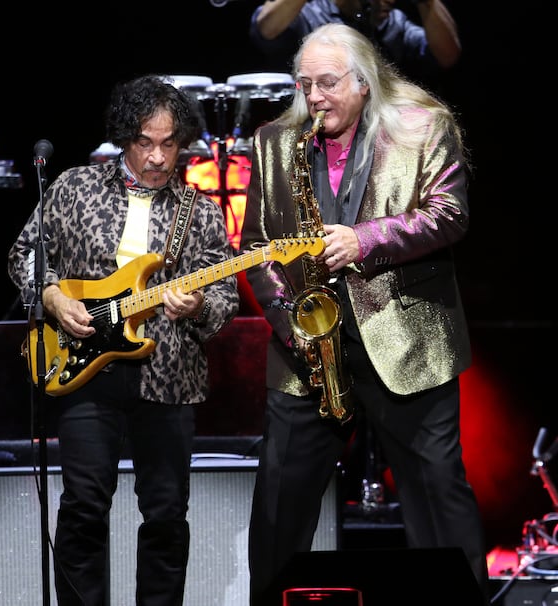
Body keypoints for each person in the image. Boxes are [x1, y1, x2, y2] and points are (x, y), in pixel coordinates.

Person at [239, 23, 489, 605]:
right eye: (304, 85)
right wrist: (291, 323)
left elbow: (451, 214)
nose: (314, 98)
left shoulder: (426, 126)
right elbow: (255, 247)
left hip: (406, 338)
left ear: (364, 81)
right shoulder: (274, 140)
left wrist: (365, 239)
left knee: (438, 499)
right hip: (308, 349)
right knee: (277, 509)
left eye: (327, 83)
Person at [7, 74, 240, 605]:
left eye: (169, 144)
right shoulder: (72, 187)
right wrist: (50, 297)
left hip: (169, 376)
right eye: (145, 143)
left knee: (165, 515)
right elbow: (24, 253)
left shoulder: (199, 211)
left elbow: (224, 292)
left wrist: (200, 304)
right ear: (123, 137)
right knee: (84, 508)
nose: (158, 157)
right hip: (85, 373)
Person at [249, 0, 461, 89]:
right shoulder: (309, 14)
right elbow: (266, 29)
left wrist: (427, 2)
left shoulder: (394, 23)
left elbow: (448, 55)